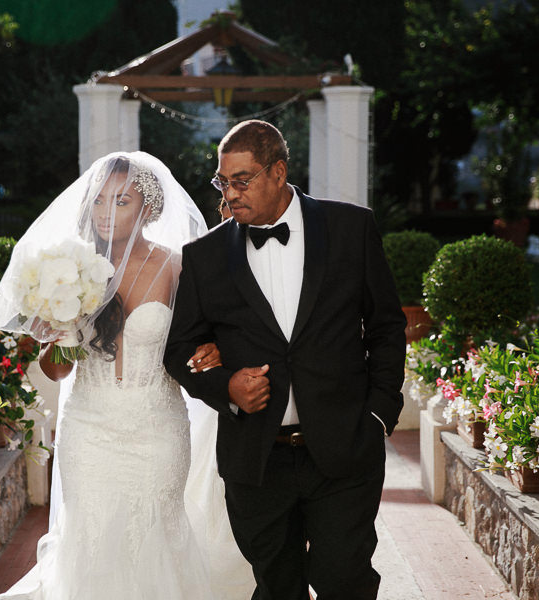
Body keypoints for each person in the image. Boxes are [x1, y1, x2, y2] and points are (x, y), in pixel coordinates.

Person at [0, 151, 253, 599]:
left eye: (121, 201)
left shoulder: (179, 267)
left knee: (155, 531)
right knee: (91, 533)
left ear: (148, 208)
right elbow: (56, 369)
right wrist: (64, 334)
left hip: (158, 427)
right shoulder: (69, 268)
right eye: (100, 200)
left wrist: (214, 349)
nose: (107, 212)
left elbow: (206, 338)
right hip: (88, 427)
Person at [165, 120, 407, 600]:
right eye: (222, 181)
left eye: (242, 180)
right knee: (278, 589)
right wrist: (226, 387)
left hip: (343, 448)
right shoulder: (204, 256)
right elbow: (178, 349)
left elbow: (386, 326)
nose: (229, 193)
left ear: (278, 172)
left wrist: (380, 414)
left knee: (345, 579)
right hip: (256, 459)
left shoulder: (350, 228)